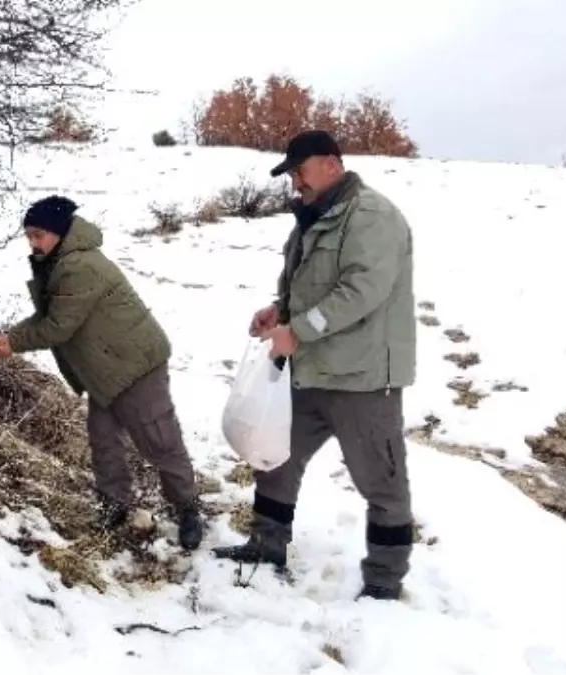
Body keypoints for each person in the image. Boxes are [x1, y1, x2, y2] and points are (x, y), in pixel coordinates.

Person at [212, 130, 417, 601]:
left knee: (381, 483)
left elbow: (360, 291)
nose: (294, 184)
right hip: (310, 369)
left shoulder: (373, 217)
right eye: (290, 175)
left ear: (331, 163)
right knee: (276, 456)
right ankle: (266, 545)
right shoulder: (314, 217)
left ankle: (384, 583)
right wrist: (280, 312)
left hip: (363, 380)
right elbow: (310, 286)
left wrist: (298, 329)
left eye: (299, 172)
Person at [0, 195, 204, 550]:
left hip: (134, 365)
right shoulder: (59, 261)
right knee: (104, 439)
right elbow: (51, 314)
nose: (33, 243)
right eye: (29, 236)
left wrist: (13, 342)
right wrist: (11, 337)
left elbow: (58, 326)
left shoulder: (80, 266)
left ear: (57, 233)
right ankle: (114, 505)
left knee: (159, 440)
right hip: (105, 369)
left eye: (38, 235)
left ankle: (188, 508)